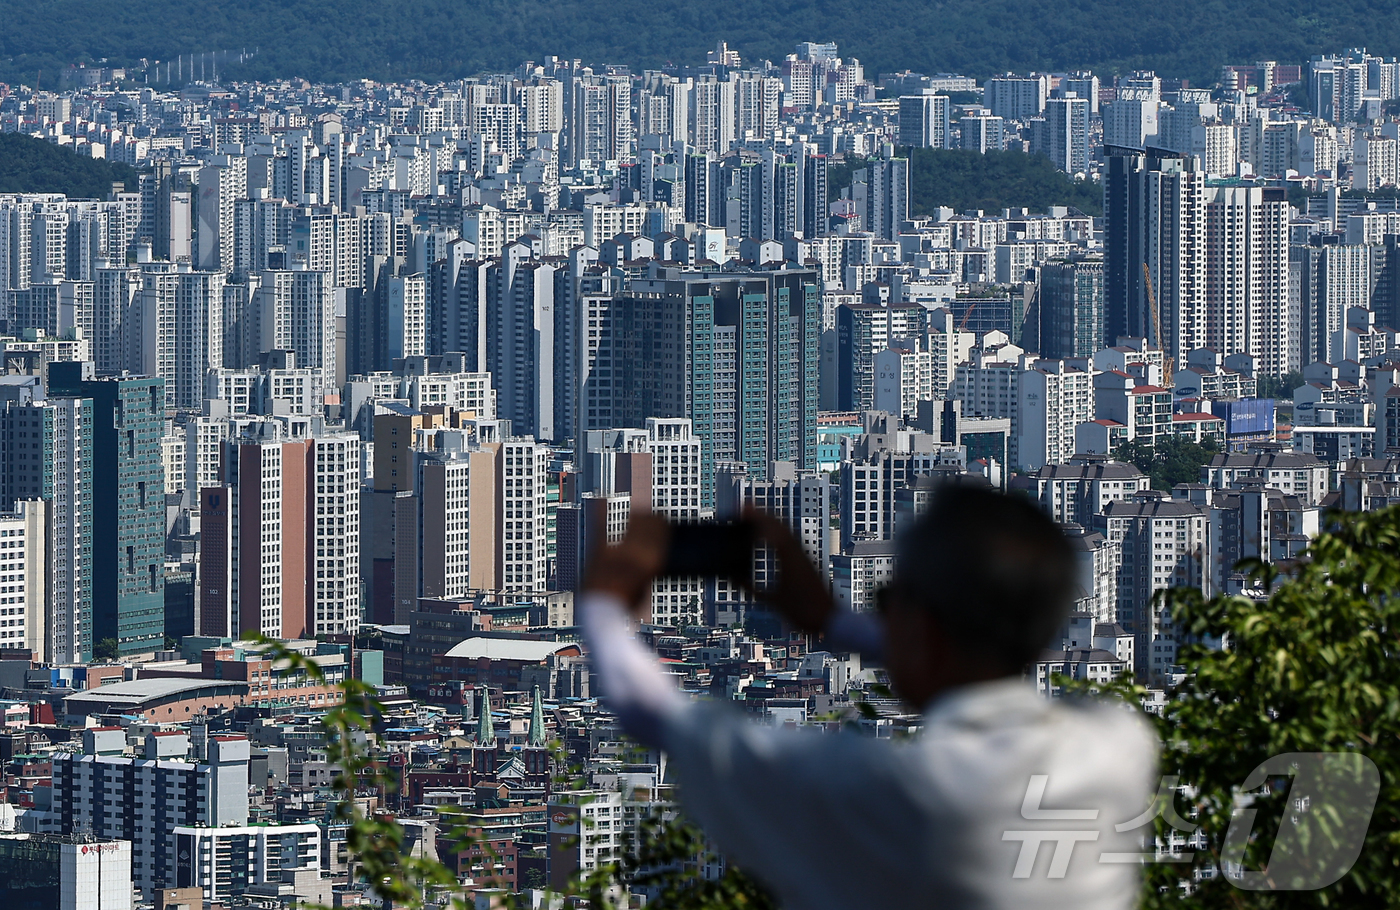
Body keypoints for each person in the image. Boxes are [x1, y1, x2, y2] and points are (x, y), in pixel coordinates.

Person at [580, 484, 1158, 910]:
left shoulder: (897, 793)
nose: (882, 612)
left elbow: (652, 712)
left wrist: (603, 603)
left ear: (923, 626)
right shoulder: (1120, 745)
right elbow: (965, 660)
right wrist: (832, 621)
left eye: (888, 598)